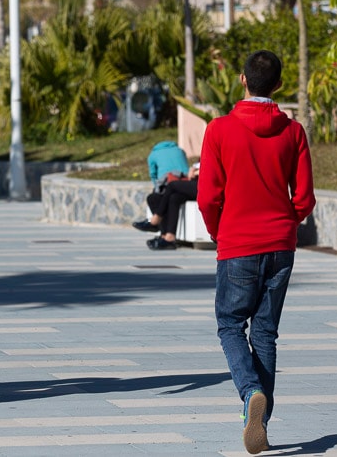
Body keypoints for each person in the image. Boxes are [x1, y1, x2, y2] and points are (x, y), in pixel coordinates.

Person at [196, 50, 316, 455]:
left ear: (243, 81)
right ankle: (260, 418)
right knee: (265, 332)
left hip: (237, 243)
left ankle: (250, 394)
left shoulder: (219, 130)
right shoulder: (293, 132)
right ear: (278, 85)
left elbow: (208, 195)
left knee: (230, 325)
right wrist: (287, 221)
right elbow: (305, 197)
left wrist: (218, 231)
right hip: (281, 245)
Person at [135, 162, 199, 250]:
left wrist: (196, 172)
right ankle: (168, 237)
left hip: (208, 185)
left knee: (172, 185)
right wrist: (194, 168)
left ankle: (156, 219)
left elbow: (215, 168)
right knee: (174, 198)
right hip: (198, 182)